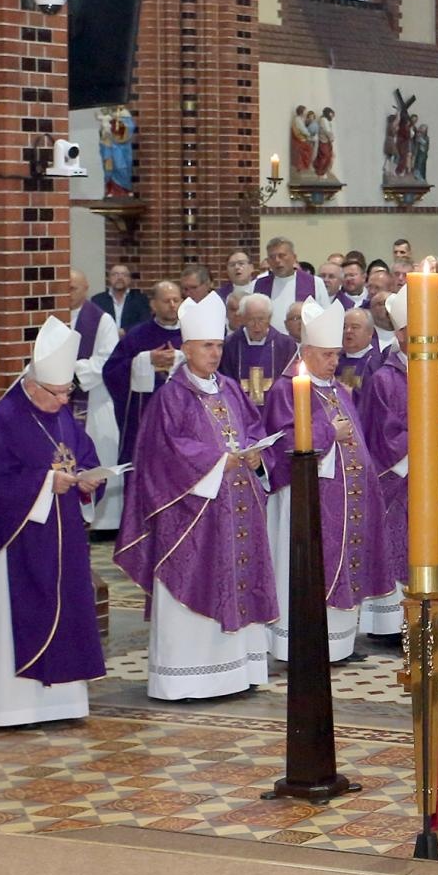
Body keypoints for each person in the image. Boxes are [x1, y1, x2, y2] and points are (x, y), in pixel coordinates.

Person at [115, 293, 276, 701]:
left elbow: (253, 428)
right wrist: (218, 461)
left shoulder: (230, 388)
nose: (215, 353)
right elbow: (164, 453)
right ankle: (188, 679)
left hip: (238, 506)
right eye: (207, 346)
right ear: (186, 349)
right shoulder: (171, 396)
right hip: (192, 515)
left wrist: (256, 455)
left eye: (219, 345)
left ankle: (238, 672)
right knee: (196, 582)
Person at [0, 317, 107, 727]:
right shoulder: (2, 418)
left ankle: (64, 703)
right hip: (19, 541)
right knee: (24, 616)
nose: (64, 400)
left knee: (68, 612)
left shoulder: (61, 414)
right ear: (31, 385)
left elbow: (82, 455)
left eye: (68, 391)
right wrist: (47, 483)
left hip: (64, 537)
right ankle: (13, 708)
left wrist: (88, 479)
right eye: (57, 392)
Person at [261, 301, 397, 662]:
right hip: (306, 500)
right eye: (326, 354)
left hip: (345, 499)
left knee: (346, 564)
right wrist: (327, 433)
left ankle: (339, 645)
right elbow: (284, 442)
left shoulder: (337, 390)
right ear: (306, 352)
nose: (334, 361)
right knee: (311, 568)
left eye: (337, 354)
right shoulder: (286, 390)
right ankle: (301, 644)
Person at [359, 287, 438, 614]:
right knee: (402, 543)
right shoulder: (383, 380)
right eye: (419, 332)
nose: (430, 339)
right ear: (400, 335)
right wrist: (426, 441)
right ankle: (398, 620)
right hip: (403, 483)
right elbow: (381, 434)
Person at [103, 280, 184, 466]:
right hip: (145, 418)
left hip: (182, 417)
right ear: (153, 304)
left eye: (176, 300)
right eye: (166, 301)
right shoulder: (137, 335)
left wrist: (182, 358)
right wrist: (145, 360)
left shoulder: (192, 334)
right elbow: (111, 372)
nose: (173, 305)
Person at [70, 269, 123, 533]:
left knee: (98, 455)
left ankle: (104, 523)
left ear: (86, 288)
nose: (67, 294)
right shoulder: (51, 316)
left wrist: (69, 370)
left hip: (93, 402)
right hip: (58, 402)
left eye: (73, 288)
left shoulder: (102, 321)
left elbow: (106, 359)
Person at [220, 294, 296, 406]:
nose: (256, 326)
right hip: (241, 410)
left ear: (269, 318)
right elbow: (226, 385)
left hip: (276, 410)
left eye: (261, 319)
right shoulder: (230, 346)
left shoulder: (285, 345)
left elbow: (289, 385)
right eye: (251, 319)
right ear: (243, 318)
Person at [260, 236, 331, 332]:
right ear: (268, 261)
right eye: (272, 257)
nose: (277, 260)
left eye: (281, 256)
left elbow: (325, 317)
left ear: (294, 258)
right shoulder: (258, 284)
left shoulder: (315, 283)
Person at [92, 263, 152, 333]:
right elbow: (93, 323)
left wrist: (125, 331)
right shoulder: (97, 300)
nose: (120, 278)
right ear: (109, 278)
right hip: (106, 338)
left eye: (124, 275)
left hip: (131, 338)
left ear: (129, 279)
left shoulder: (141, 299)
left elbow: (144, 322)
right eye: (115, 274)